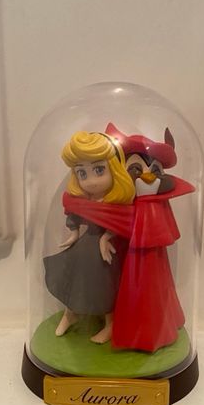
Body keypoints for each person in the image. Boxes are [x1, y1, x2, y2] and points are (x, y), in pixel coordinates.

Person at [106, 123, 195, 352]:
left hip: (154, 258)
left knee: (155, 289)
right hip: (126, 257)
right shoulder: (122, 203)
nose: (147, 176)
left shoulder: (158, 205)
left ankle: (156, 331)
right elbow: (113, 221)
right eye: (136, 169)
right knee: (129, 289)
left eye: (155, 170)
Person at [43, 131, 135, 343]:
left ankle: (110, 324)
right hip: (85, 246)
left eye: (99, 170)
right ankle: (70, 314)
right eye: (82, 173)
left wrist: (107, 237)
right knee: (72, 278)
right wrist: (74, 232)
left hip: (106, 253)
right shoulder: (85, 200)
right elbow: (75, 216)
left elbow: (124, 223)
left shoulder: (116, 202)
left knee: (105, 287)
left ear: (114, 168)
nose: (91, 181)